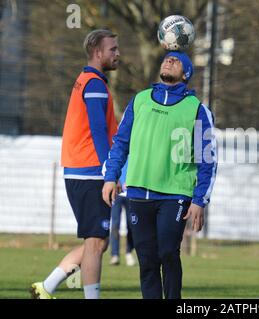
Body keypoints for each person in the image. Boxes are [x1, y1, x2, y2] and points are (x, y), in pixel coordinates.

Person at [102, 51, 217, 299]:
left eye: (176, 60)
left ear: (186, 74)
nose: (169, 60)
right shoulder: (140, 100)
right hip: (138, 192)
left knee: (167, 252)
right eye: (167, 58)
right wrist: (111, 176)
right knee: (147, 260)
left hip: (175, 194)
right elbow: (120, 143)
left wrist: (199, 200)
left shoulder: (197, 109)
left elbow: (207, 160)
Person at [30, 29, 120, 299]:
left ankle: (46, 287)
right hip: (90, 172)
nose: (118, 54)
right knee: (95, 243)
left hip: (84, 171)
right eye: (113, 49)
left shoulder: (88, 80)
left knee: (98, 243)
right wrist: (109, 171)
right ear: (97, 52)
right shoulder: (93, 84)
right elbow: (97, 131)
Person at [109, 161, 136, 266]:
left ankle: (129, 252)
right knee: (115, 223)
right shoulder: (118, 148)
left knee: (132, 224)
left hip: (131, 193)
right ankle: (115, 255)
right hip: (118, 192)